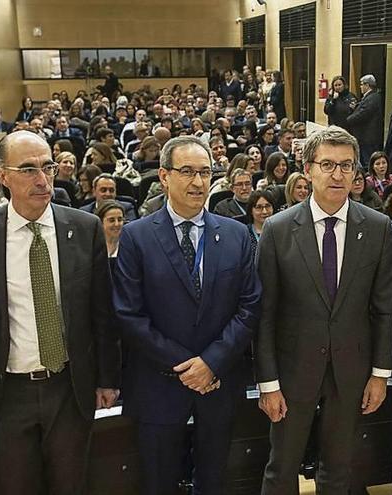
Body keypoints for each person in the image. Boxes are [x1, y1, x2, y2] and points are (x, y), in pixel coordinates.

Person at [0, 131, 121, 495]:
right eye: (28, 169)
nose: (43, 180)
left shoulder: (84, 226)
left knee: (72, 484)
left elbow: (101, 312)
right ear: (2, 175)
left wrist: (107, 377)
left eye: (48, 167)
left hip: (68, 387)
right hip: (7, 391)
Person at [112, 135, 261, 494]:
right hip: (159, 384)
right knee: (159, 481)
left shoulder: (236, 234)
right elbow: (129, 315)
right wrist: (189, 366)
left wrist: (211, 363)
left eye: (206, 173)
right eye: (187, 172)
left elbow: (250, 305)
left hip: (218, 383)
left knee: (214, 480)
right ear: (163, 176)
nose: (198, 182)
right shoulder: (136, 237)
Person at [255, 126, 392, 494]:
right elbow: (264, 314)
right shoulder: (278, 229)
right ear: (308, 169)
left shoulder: (379, 228)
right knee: (281, 467)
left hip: (351, 370)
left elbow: (383, 309)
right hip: (292, 370)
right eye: (328, 165)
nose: (338, 175)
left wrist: (380, 374)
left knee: (340, 469)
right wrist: (267, 383)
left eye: (347, 166)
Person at [345, 74, 385, 167]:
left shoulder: (373, 97)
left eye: (362, 84)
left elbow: (363, 114)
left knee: (368, 161)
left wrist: (349, 119)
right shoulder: (369, 97)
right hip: (364, 136)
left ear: (367, 85)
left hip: (368, 137)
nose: (360, 87)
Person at [247, 188, 275, 257]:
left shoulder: (280, 230)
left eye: (267, 206)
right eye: (259, 207)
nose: (264, 211)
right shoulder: (245, 233)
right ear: (251, 210)